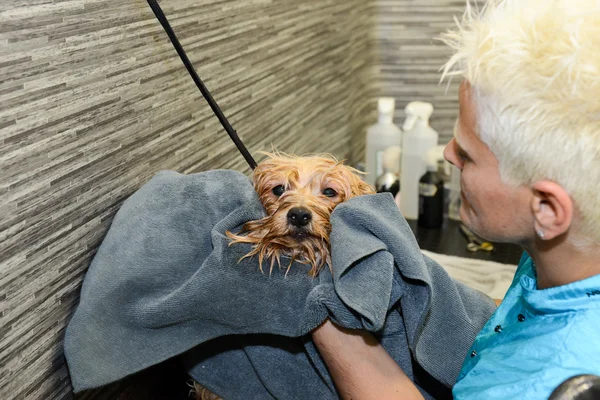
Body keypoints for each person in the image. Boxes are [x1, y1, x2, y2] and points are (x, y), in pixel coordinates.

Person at [312, 0, 600, 398]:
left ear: (547, 209)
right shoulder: (567, 259)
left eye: (467, 154)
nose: (448, 154)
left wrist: (321, 308)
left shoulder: (543, 385)